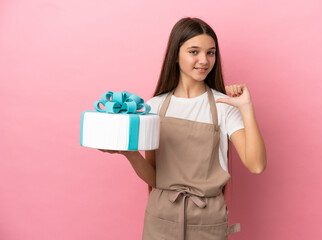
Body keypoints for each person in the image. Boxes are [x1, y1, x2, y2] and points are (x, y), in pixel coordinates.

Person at [100, 17, 266, 240]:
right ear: (176, 56)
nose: (204, 60)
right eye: (194, 51)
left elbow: (256, 165)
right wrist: (130, 154)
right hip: (161, 220)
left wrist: (246, 108)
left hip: (207, 222)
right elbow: (155, 178)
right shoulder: (155, 107)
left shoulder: (224, 107)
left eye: (210, 52)